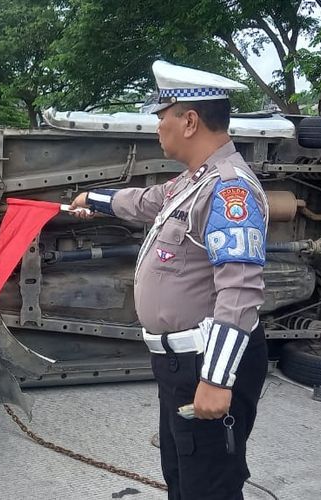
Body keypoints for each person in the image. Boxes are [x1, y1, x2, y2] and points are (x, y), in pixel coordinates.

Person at [70, 60, 269, 499]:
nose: (158, 127)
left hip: (207, 362)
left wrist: (217, 380)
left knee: (209, 485)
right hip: (178, 364)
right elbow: (145, 201)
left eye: (162, 117)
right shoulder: (192, 183)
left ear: (190, 120)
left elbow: (240, 288)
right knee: (181, 476)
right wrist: (94, 199)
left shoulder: (229, 189)